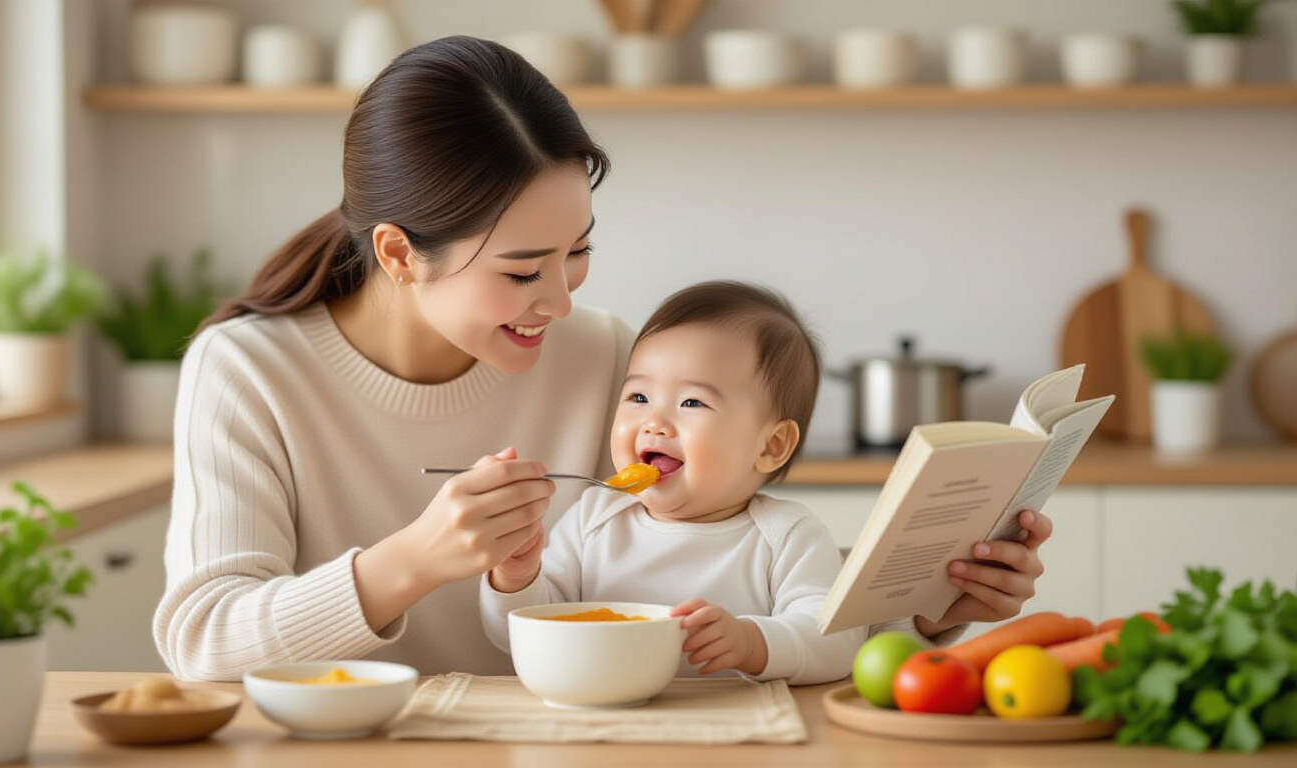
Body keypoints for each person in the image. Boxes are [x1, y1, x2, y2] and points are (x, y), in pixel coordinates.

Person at [153, 36, 631, 681]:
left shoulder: (608, 358)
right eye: (522, 272)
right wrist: (415, 559)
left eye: (577, 252)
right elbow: (204, 641)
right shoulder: (250, 370)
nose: (561, 302)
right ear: (400, 253)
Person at [480, 281, 1053, 685]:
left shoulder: (787, 534)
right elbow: (518, 634)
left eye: (691, 402)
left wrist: (752, 643)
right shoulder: (594, 515)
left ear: (771, 445)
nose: (653, 422)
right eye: (637, 395)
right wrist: (515, 576)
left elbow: (834, 641)